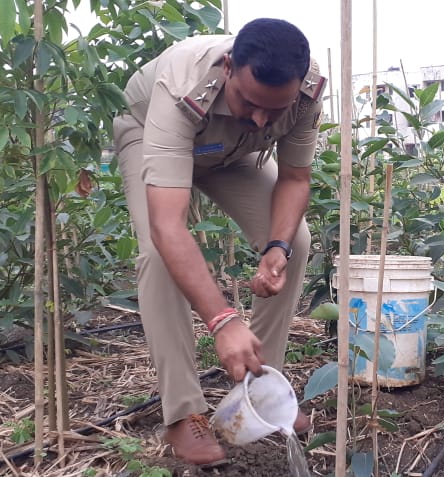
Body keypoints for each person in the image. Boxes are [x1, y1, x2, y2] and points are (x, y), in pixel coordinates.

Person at [112, 18, 325, 467]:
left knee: (297, 239)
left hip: (231, 151)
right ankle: (183, 412)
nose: (262, 118)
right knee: (157, 253)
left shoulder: (304, 91)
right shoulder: (181, 84)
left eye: (275, 109)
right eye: (250, 102)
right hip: (148, 130)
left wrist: (277, 249)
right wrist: (224, 321)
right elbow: (168, 227)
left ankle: (261, 386)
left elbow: (295, 177)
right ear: (229, 67)